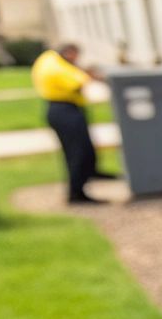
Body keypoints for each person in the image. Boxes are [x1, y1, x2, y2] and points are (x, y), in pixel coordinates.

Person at [32, 43, 115, 204]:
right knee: (77, 152)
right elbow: (78, 83)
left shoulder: (49, 58)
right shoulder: (56, 67)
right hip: (65, 110)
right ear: (69, 53)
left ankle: (90, 174)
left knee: (83, 148)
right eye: (76, 56)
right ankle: (76, 194)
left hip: (60, 109)